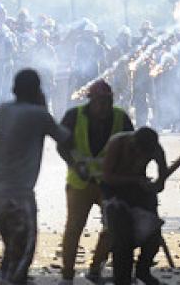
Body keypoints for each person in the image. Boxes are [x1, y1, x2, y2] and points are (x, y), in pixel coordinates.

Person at [0, 69, 70, 285]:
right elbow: (64, 137)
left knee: (12, 249)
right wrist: (44, 106)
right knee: (22, 254)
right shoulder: (39, 115)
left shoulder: (2, 111)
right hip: (18, 195)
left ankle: (5, 278)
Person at [57, 79, 134, 284]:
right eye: (99, 102)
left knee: (112, 227)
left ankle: (95, 267)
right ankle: (67, 274)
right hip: (79, 182)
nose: (104, 107)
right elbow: (61, 145)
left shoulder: (121, 118)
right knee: (74, 227)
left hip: (109, 184)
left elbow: (132, 147)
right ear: (90, 101)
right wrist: (74, 164)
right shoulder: (74, 116)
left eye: (107, 102)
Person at [102, 127, 168, 285]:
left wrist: (155, 185)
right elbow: (107, 177)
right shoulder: (117, 143)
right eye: (138, 150)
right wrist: (135, 180)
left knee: (153, 234)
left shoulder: (155, 148)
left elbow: (162, 176)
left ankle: (143, 270)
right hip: (115, 193)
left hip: (141, 192)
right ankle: (122, 279)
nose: (140, 155)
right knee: (122, 239)